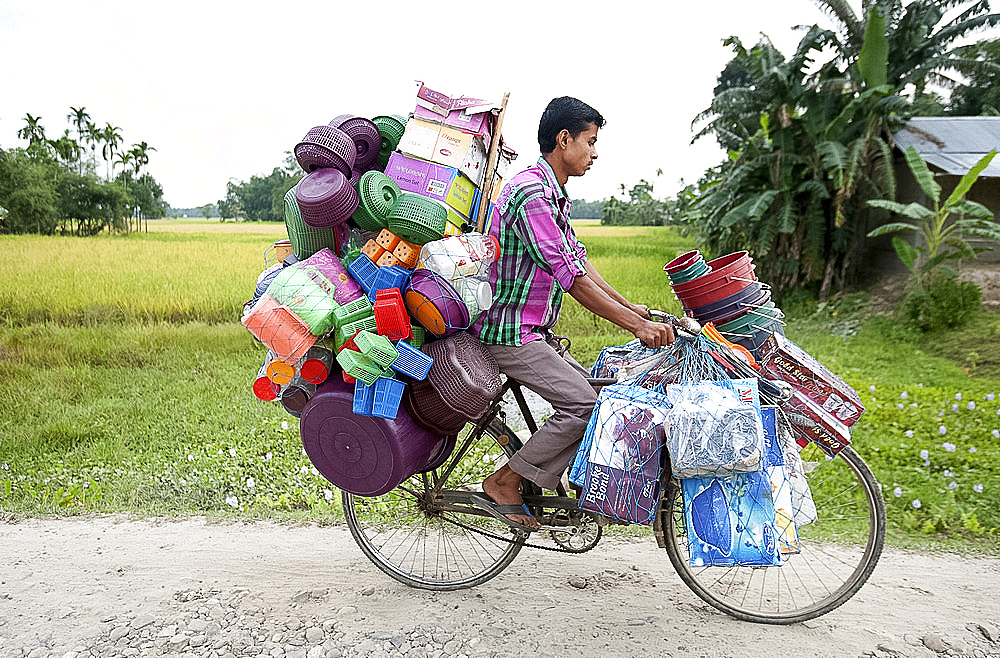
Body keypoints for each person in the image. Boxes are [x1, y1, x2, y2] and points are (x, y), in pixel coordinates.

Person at [474, 96, 674, 529]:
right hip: (507, 333)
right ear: (564, 140)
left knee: (602, 398)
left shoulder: (551, 192)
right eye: (590, 141)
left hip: (533, 331)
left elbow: (580, 262)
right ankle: (504, 482)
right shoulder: (531, 193)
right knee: (585, 405)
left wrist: (632, 306)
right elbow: (572, 278)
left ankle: (546, 478)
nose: (595, 152)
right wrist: (637, 326)